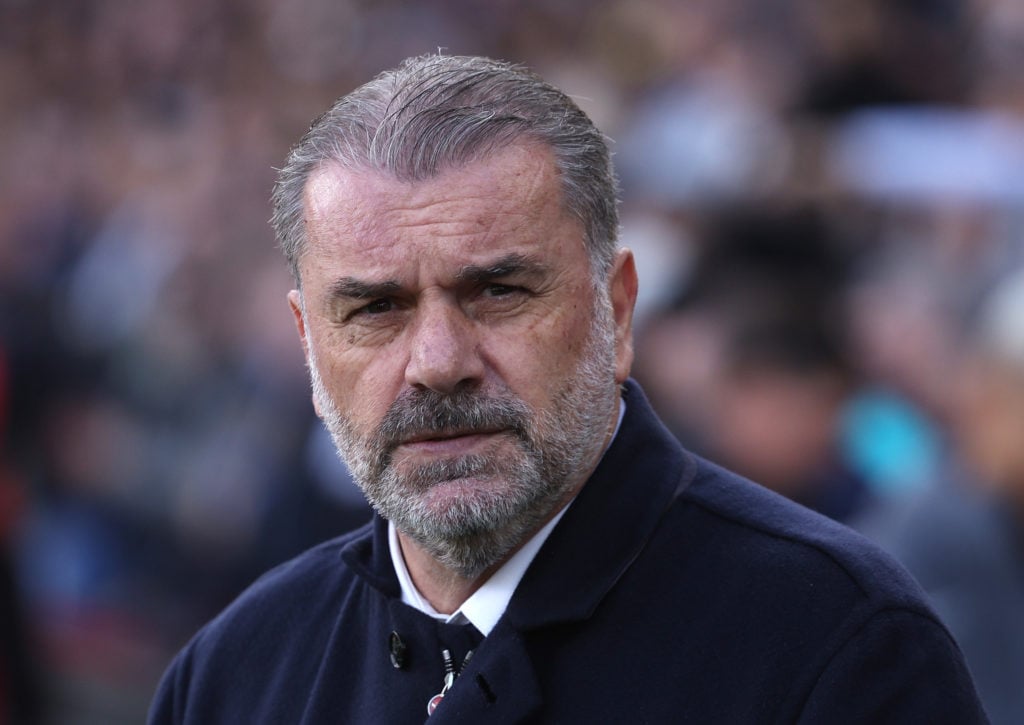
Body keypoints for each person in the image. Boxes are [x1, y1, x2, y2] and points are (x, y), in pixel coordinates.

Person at [148, 54, 986, 723]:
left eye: (498, 292)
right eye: (375, 308)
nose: (439, 359)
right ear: (308, 343)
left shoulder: (836, 644)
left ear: (617, 312)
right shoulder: (235, 673)